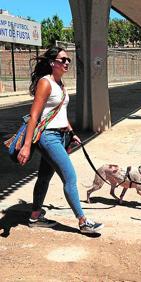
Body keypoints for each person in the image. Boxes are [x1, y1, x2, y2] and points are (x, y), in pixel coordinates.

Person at [17, 47, 104, 234]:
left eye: (68, 60)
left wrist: (71, 132)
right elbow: (34, 116)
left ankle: (35, 216)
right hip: (48, 136)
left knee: (44, 176)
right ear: (51, 63)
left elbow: (59, 113)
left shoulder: (60, 84)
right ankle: (83, 222)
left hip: (62, 135)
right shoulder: (45, 83)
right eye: (62, 59)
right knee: (70, 177)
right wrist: (25, 146)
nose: (66, 63)